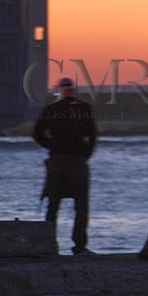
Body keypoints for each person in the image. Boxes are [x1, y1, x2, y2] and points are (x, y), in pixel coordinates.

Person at [32, 77, 97, 255]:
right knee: (80, 206)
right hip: (76, 161)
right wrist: (85, 155)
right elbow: (92, 136)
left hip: (59, 161)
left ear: (58, 90)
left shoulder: (51, 110)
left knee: (54, 205)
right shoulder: (84, 109)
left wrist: (52, 146)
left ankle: (49, 245)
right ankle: (79, 247)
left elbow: (37, 134)